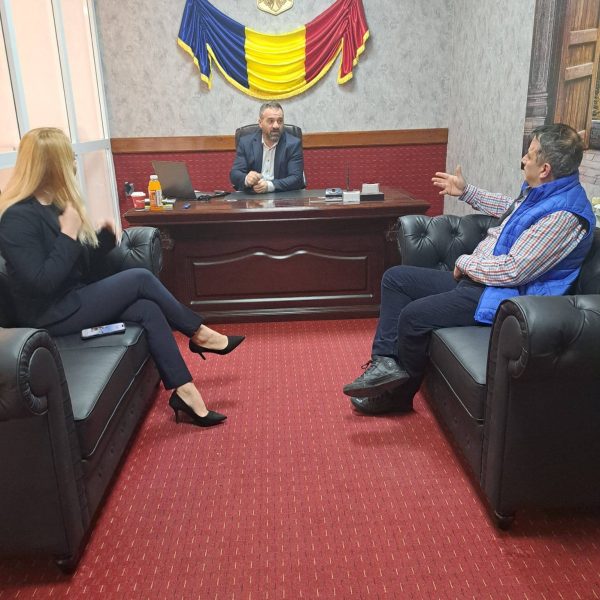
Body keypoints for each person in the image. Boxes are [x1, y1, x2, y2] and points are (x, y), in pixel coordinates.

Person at [343, 123, 596, 414]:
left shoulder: (564, 216)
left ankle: (397, 397)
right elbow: (509, 209)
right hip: (482, 283)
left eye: (529, 155)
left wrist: (465, 263)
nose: (523, 159)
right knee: (396, 279)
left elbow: (514, 270)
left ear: (545, 169)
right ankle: (384, 363)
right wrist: (466, 192)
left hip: (503, 296)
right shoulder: (545, 193)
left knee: (413, 317)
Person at [0, 127, 244, 428]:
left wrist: (102, 240)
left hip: (72, 299)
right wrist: (68, 234)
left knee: (147, 309)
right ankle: (199, 334)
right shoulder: (16, 218)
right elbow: (42, 282)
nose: (74, 161)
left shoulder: (56, 206)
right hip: (49, 315)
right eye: (69, 155)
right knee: (140, 278)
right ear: (51, 163)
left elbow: (80, 269)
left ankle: (185, 392)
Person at [230, 101, 304, 193]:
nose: (276, 126)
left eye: (280, 121)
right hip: (252, 196)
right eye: (271, 121)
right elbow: (235, 174)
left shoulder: (293, 144)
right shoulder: (246, 143)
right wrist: (246, 179)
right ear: (260, 123)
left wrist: (269, 186)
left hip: (282, 196)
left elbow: (296, 178)